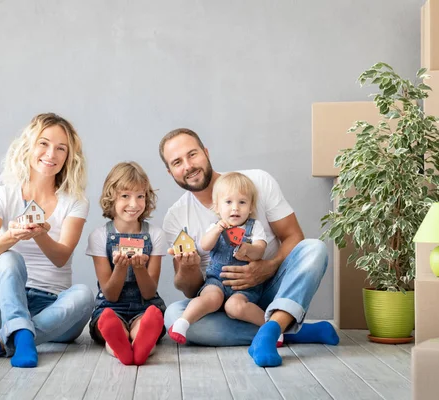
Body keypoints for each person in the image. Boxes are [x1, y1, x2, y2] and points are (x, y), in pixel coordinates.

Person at [160, 128, 339, 368]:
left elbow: (293, 236)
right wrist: (187, 268)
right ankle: (282, 329)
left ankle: (275, 325)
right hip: (221, 299)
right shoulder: (176, 216)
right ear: (169, 171)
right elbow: (190, 290)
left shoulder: (256, 182)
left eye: (192, 154)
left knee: (314, 249)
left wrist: (267, 266)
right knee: (174, 315)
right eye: (177, 162)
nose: (188, 166)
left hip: (270, 288)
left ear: (206, 152)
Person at [0, 113, 94, 368]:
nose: (51, 154)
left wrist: (39, 234)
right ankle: (20, 337)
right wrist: (10, 236)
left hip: (54, 307)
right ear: (29, 145)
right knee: (8, 257)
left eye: (61, 148)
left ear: (69, 157)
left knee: (84, 294)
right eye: (44, 143)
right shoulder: (2, 196)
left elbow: (61, 258)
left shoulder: (75, 201)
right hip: (3, 304)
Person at [169, 172, 281, 345]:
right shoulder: (215, 226)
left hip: (244, 287)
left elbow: (259, 251)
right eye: (228, 202)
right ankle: (183, 322)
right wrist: (215, 231)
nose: (235, 208)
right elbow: (205, 246)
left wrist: (248, 249)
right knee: (211, 298)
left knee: (234, 307)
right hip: (216, 281)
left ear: (251, 207)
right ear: (217, 207)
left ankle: (272, 327)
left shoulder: (254, 227)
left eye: (242, 202)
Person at [86, 162, 167, 366]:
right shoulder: (99, 236)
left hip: (145, 306)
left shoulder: (155, 234)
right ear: (111, 197)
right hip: (110, 306)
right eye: (125, 196)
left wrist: (139, 268)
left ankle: (141, 346)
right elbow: (111, 294)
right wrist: (121, 267)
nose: (134, 204)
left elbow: (149, 293)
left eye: (140, 196)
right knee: (110, 324)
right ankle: (120, 344)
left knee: (145, 325)